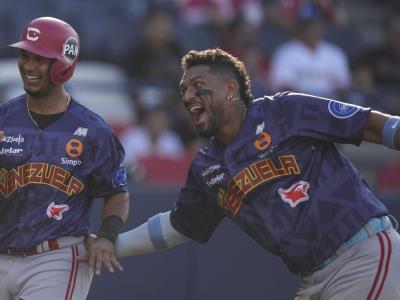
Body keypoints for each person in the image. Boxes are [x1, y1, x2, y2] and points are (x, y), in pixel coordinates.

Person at [82, 48, 400, 299]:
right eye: (184, 91)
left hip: (362, 255)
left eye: (198, 87)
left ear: (231, 89)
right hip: (313, 276)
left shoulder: (284, 111)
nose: (188, 96)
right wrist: (113, 244)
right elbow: (178, 226)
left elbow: (370, 124)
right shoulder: (207, 167)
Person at [0, 17, 129, 300]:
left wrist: (107, 236)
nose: (28, 66)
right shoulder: (4, 118)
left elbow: (116, 192)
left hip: (54, 258)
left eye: (40, 59)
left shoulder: (93, 131)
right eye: (25, 55)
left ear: (62, 65)